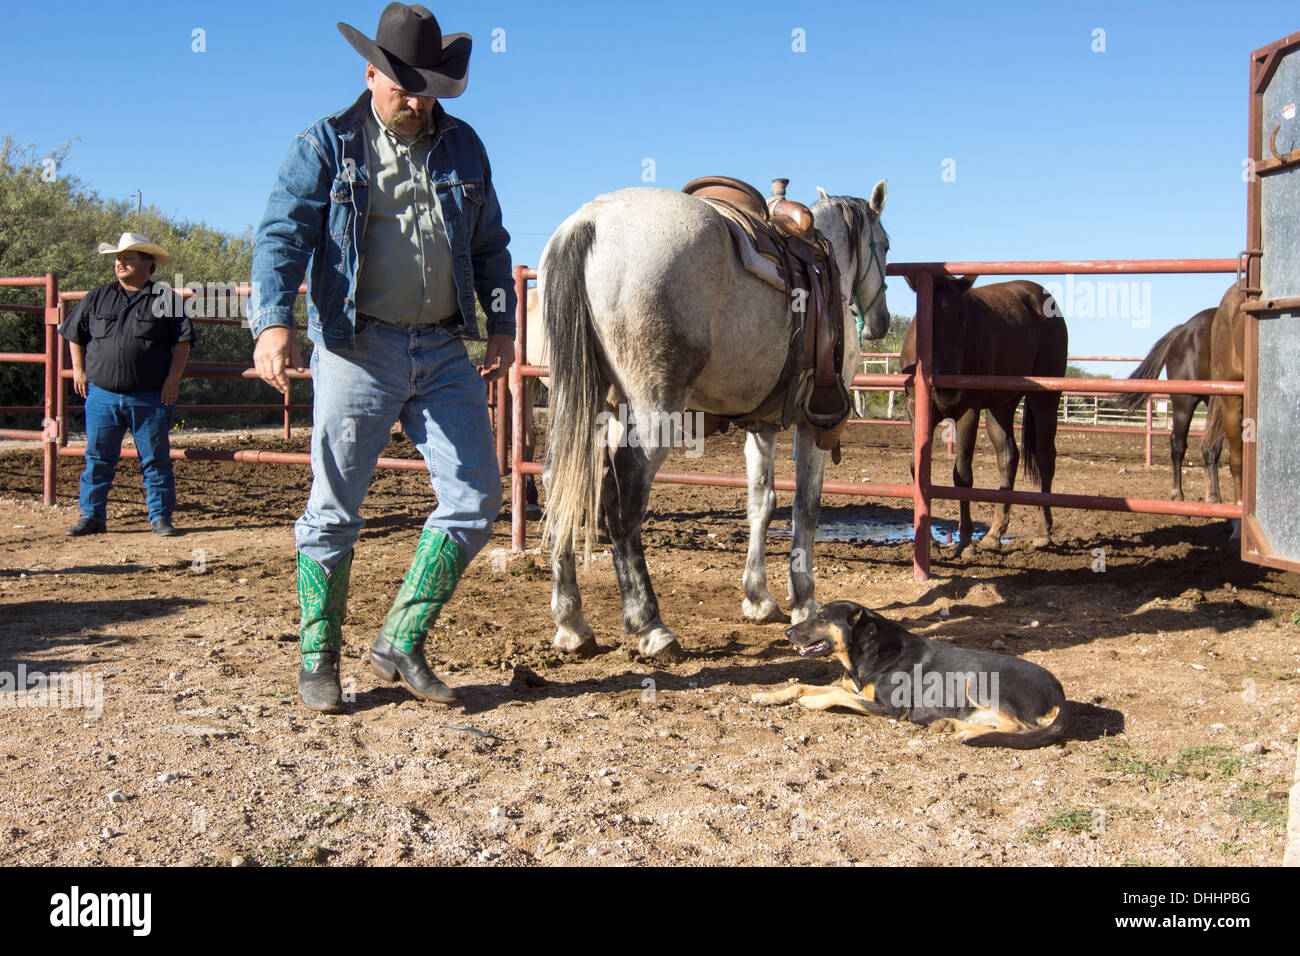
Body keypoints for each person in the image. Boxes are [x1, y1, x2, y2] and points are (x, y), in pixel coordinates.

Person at [249, 3, 517, 714]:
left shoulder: (464, 148)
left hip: (442, 346)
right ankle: (318, 659)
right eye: (402, 85)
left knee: (476, 498)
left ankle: (401, 638)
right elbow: (281, 235)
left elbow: (490, 245)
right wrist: (273, 321)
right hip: (355, 346)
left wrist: (499, 323)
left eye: (427, 87)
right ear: (369, 74)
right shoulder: (327, 145)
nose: (415, 100)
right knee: (334, 507)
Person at [59, 233, 194, 537]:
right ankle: (92, 515)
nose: (120, 263)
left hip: (149, 396)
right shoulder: (97, 296)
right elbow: (74, 335)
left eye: (128, 258)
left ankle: (160, 517)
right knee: (97, 457)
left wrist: (173, 380)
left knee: (156, 458)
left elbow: (183, 341)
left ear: (148, 263)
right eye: (118, 258)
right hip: (101, 395)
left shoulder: (166, 299)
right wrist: (78, 370)